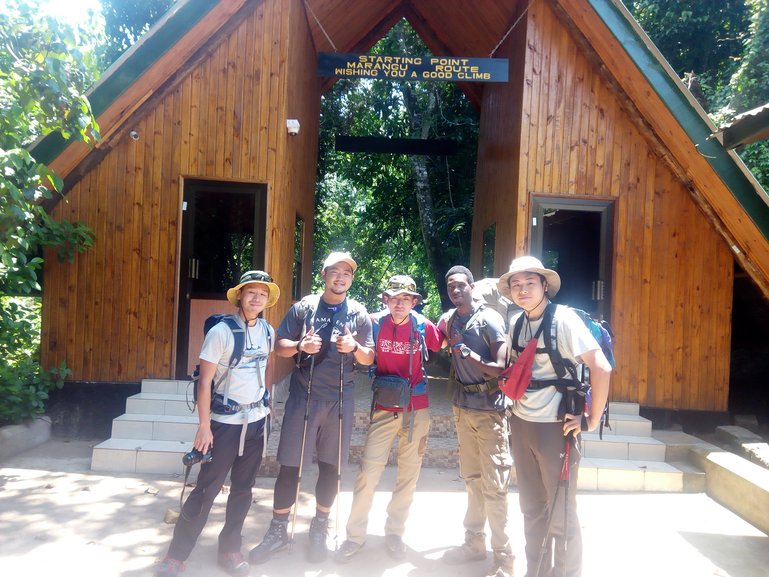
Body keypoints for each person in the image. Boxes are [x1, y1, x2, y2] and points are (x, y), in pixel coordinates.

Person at [249, 252, 375, 564]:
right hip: (302, 398)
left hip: (340, 401)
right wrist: (299, 346)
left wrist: (354, 348)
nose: (341, 277)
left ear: (352, 279)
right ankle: (278, 529)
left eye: (347, 273)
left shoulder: (359, 313)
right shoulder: (304, 307)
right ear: (324, 275)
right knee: (290, 466)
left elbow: (369, 357)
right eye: (335, 271)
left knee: (331, 468)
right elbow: (279, 346)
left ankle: (319, 527)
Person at [156, 270, 280, 577]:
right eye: (251, 292)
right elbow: (205, 382)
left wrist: (268, 400)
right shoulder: (221, 332)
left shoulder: (268, 332)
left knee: (244, 489)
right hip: (223, 423)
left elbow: (266, 369)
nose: (256, 298)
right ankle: (176, 555)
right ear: (239, 295)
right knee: (206, 489)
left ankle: (230, 549)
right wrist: (203, 426)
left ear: (267, 300)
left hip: (255, 422)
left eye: (262, 294)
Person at [498, 256, 611, 577]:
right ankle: (536, 572)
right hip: (521, 424)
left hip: (555, 429)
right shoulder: (516, 323)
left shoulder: (564, 321)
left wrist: (590, 419)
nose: (522, 290)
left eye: (529, 283)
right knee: (531, 509)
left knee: (560, 514)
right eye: (516, 285)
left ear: (544, 285)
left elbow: (601, 367)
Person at [335, 275, 444, 562]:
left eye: (406, 298)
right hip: (384, 407)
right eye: (394, 298)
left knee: (409, 474)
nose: (399, 303)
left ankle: (395, 532)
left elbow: (443, 342)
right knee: (368, 473)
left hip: (417, 409)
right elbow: (356, 345)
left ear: (414, 301)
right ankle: (354, 536)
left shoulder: (423, 326)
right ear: (385, 299)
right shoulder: (373, 322)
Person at [438, 265, 514, 577]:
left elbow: (501, 366)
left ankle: (504, 556)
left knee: (494, 486)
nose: (456, 291)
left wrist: (469, 355)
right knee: (472, 480)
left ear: (472, 286)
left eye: (460, 285)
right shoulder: (451, 320)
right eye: (451, 287)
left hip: (489, 412)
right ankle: (474, 543)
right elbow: (434, 338)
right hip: (463, 408)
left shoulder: (490, 318)